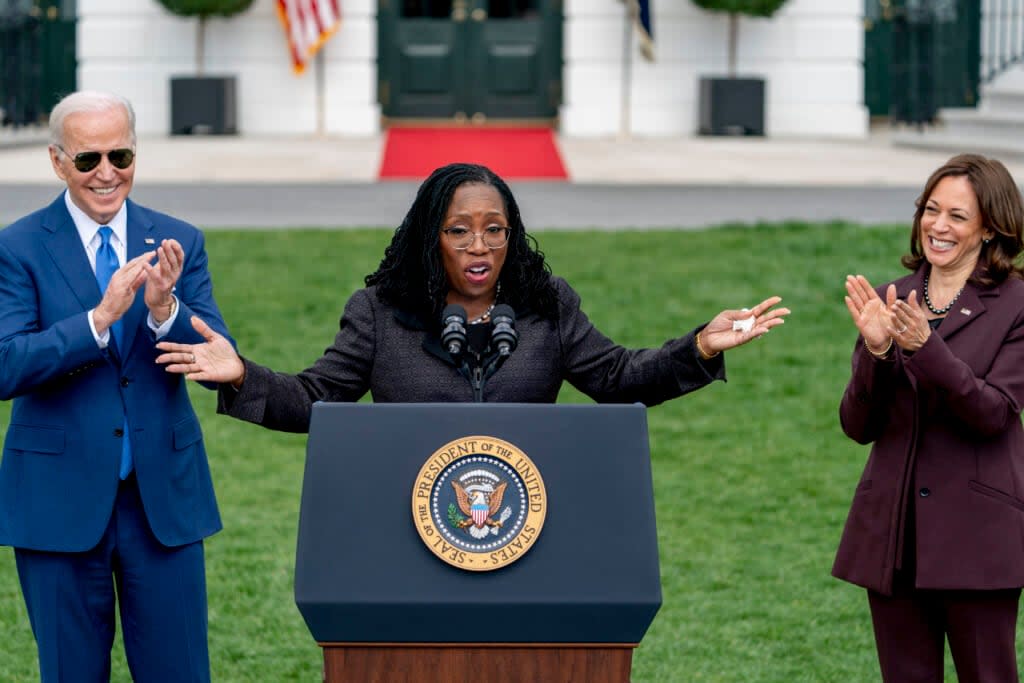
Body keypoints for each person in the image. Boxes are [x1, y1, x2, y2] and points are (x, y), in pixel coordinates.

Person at [155, 162, 787, 431]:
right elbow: (319, 398)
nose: (479, 247)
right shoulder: (379, 312)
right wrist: (239, 377)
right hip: (409, 518)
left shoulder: (547, 304)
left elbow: (619, 378)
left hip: (528, 519)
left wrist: (700, 347)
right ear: (433, 239)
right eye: (459, 232)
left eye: (494, 230)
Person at [0, 91, 234, 682]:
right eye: (88, 160)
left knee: (180, 672)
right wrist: (96, 322)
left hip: (161, 499)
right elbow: (6, 364)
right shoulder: (18, 247)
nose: (107, 173)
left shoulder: (179, 238)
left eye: (120, 155)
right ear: (57, 161)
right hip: (58, 500)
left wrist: (164, 310)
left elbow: (214, 353)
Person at [833, 153, 1024, 682]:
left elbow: (992, 413)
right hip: (894, 538)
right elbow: (858, 426)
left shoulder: (1016, 304)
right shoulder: (895, 296)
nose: (938, 226)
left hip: (977, 539)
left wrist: (925, 347)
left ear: (990, 229)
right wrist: (876, 353)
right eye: (930, 209)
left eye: (957, 216)